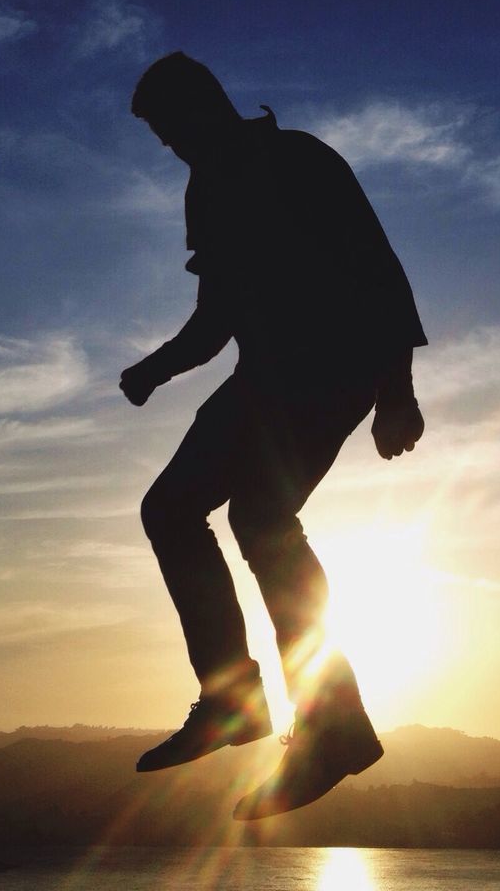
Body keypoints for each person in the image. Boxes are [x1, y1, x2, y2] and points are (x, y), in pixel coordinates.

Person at [120, 53, 427, 819]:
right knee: (170, 510)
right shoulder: (208, 189)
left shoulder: (300, 159)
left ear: (205, 105)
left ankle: (331, 728)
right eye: (161, 138)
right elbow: (217, 319)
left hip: (335, 368)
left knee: (259, 519)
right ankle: (235, 702)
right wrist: (158, 367)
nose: (171, 146)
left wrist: (398, 395)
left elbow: (380, 273)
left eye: (171, 129)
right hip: (265, 378)